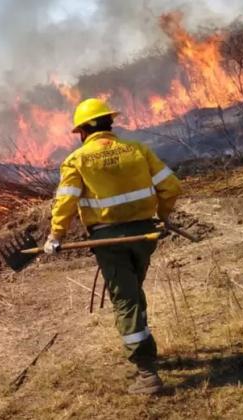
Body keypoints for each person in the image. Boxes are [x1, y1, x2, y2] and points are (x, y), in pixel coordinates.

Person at [45, 98, 182, 395]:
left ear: (82, 131)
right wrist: (164, 216)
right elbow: (171, 187)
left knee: (126, 300)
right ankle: (146, 348)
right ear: (110, 124)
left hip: (109, 241)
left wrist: (55, 236)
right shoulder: (137, 150)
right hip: (144, 237)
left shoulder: (77, 160)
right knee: (134, 291)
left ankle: (147, 374)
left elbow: (66, 202)